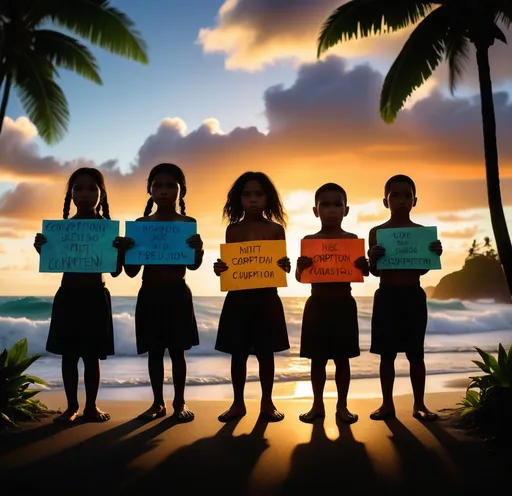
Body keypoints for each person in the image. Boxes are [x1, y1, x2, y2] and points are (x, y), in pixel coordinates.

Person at [34, 167, 128, 423]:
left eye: (91, 189)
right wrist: (42, 249)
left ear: (101, 194)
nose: (84, 194)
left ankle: (91, 406)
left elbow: (117, 272)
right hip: (68, 296)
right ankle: (71, 407)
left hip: (96, 296)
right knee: (69, 355)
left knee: (91, 356)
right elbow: (54, 262)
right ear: (70, 195)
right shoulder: (61, 230)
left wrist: (120, 251)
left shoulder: (107, 230)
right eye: (78, 188)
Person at [123, 163, 204, 423]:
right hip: (150, 293)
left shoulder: (187, 223)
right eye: (158, 185)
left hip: (178, 293)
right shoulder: (141, 225)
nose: (164, 190)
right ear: (150, 190)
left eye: (171, 185)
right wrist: (126, 250)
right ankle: (158, 403)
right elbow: (132, 271)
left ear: (182, 191)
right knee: (155, 351)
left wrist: (198, 248)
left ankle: (179, 402)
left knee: (178, 352)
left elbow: (192, 265)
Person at [213, 171, 291, 423]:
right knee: (238, 353)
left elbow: (280, 265)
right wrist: (221, 269)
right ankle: (238, 403)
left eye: (259, 194)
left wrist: (285, 265)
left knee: (266, 354)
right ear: (239, 199)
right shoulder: (233, 231)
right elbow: (231, 264)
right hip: (238, 298)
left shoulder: (276, 229)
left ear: (268, 198)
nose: (253, 199)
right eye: (247, 195)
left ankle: (267, 402)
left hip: (267, 297)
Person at [367, 174, 443, 421]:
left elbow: (421, 269)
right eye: (395, 195)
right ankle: (387, 404)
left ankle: (419, 404)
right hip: (386, 295)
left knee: (416, 354)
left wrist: (433, 254)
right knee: (386, 354)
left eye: (406, 195)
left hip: (413, 295)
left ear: (415, 200)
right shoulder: (377, 232)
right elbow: (375, 271)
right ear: (385, 201)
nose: (401, 200)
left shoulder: (421, 233)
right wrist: (373, 256)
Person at [296, 183, 369, 424]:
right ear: (316, 211)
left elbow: (361, 273)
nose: (331, 210)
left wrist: (363, 267)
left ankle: (342, 406)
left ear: (345, 210)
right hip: (317, 304)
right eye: (324, 205)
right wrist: (300, 266)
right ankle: (317, 404)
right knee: (317, 360)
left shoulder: (352, 241)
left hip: (343, 304)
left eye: (337, 204)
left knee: (342, 359)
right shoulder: (309, 241)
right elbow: (300, 278)